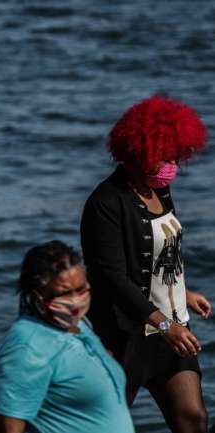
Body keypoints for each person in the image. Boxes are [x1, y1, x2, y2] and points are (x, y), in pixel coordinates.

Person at [81, 95, 210, 433]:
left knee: (193, 419)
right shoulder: (105, 203)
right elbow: (112, 276)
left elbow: (160, 254)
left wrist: (184, 292)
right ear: (138, 152)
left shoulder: (159, 191)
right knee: (107, 425)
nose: (171, 165)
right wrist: (165, 325)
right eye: (164, 156)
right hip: (127, 334)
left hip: (171, 329)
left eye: (176, 156)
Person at [0, 241, 134, 433]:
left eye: (81, 289)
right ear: (37, 294)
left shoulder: (77, 324)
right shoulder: (27, 347)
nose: (76, 301)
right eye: (64, 293)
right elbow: (7, 428)